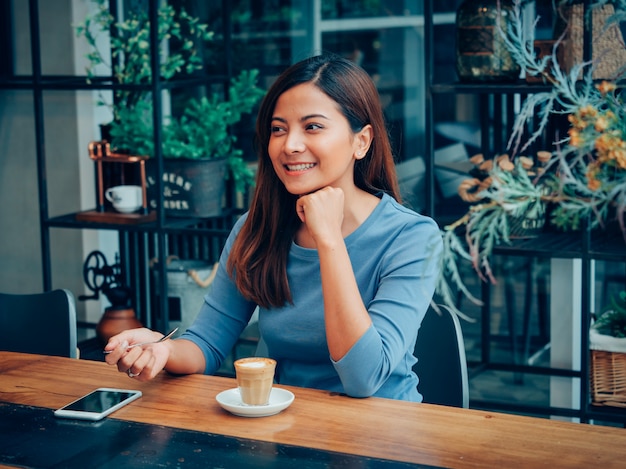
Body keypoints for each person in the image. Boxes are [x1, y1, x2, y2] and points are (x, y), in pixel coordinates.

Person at [104, 53, 443, 402]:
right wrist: (162, 350)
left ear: (362, 141)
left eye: (312, 126)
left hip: (383, 438)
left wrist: (328, 240)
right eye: (278, 129)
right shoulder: (256, 229)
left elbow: (364, 378)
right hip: (287, 429)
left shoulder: (412, 237)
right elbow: (206, 344)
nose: (290, 145)